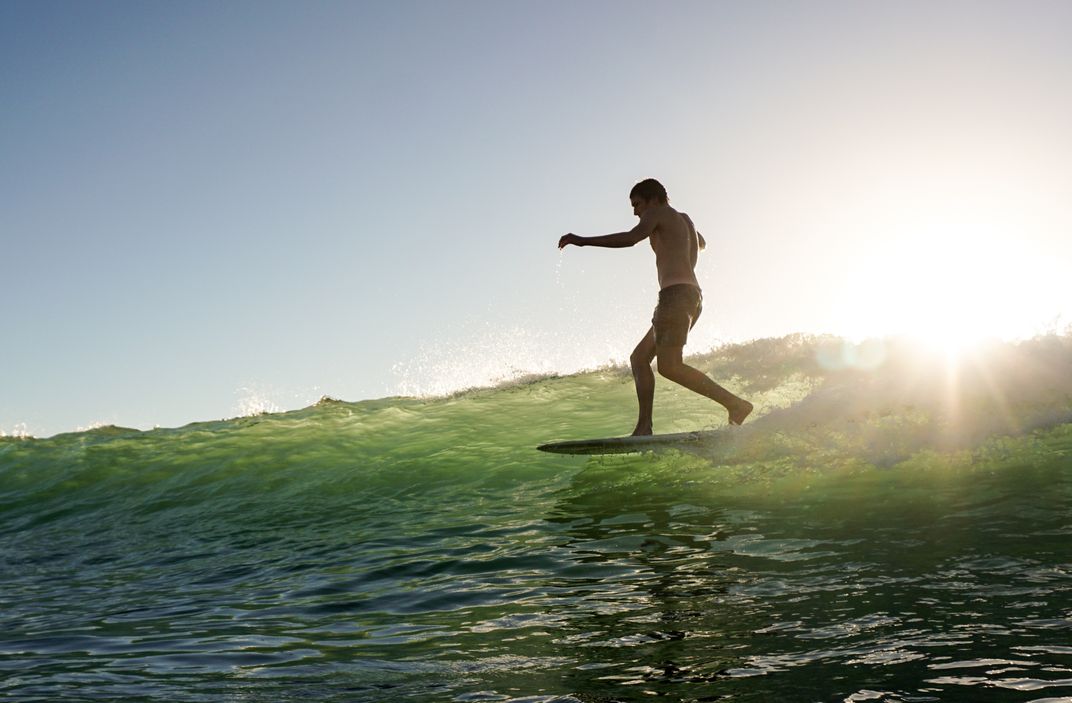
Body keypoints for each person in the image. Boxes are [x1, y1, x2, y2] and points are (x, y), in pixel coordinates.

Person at [557, 178, 752, 435]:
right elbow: (701, 242)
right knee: (639, 359)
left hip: (675, 296)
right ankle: (644, 426)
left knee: (670, 366)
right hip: (692, 296)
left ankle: (735, 404)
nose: (636, 212)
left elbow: (631, 238)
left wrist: (582, 240)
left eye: (637, 204)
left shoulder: (658, 213)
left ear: (653, 199)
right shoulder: (685, 219)